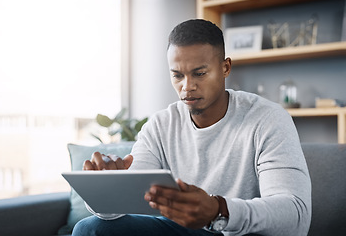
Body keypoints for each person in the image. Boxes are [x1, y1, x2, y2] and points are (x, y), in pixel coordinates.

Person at [72, 19, 311, 236]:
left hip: (241, 233)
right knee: (90, 228)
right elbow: (124, 207)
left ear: (225, 68)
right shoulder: (160, 125)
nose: (187, 87)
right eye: (177, 76)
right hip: (183, 231)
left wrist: (220, 210)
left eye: (199, 73)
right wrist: (108, 190)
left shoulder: (267, 119)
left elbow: (296, 215)